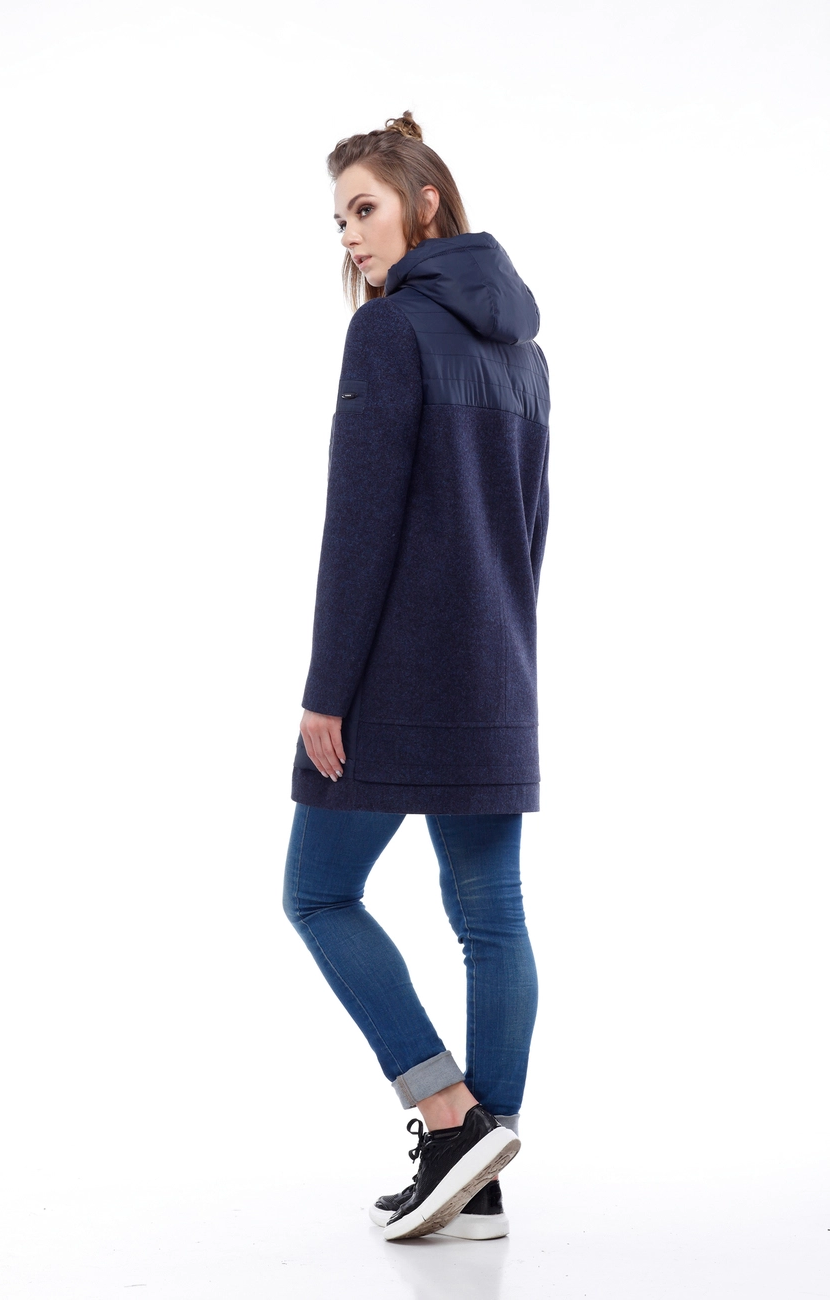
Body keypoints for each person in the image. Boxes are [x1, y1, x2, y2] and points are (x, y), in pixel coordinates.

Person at [282, 110, 551, 1242]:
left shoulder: (387, 332)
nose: (350, 235)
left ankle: (449, 1117)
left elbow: (361, 527)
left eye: (366, 208)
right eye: (340, 218)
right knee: (490, 914)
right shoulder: (523, 353)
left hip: (394, 674)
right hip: (496, 665)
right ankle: (477, 1179)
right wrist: (509, 657)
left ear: (424, 204)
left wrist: (327, 689)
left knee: (316, 893)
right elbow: (531, 531)